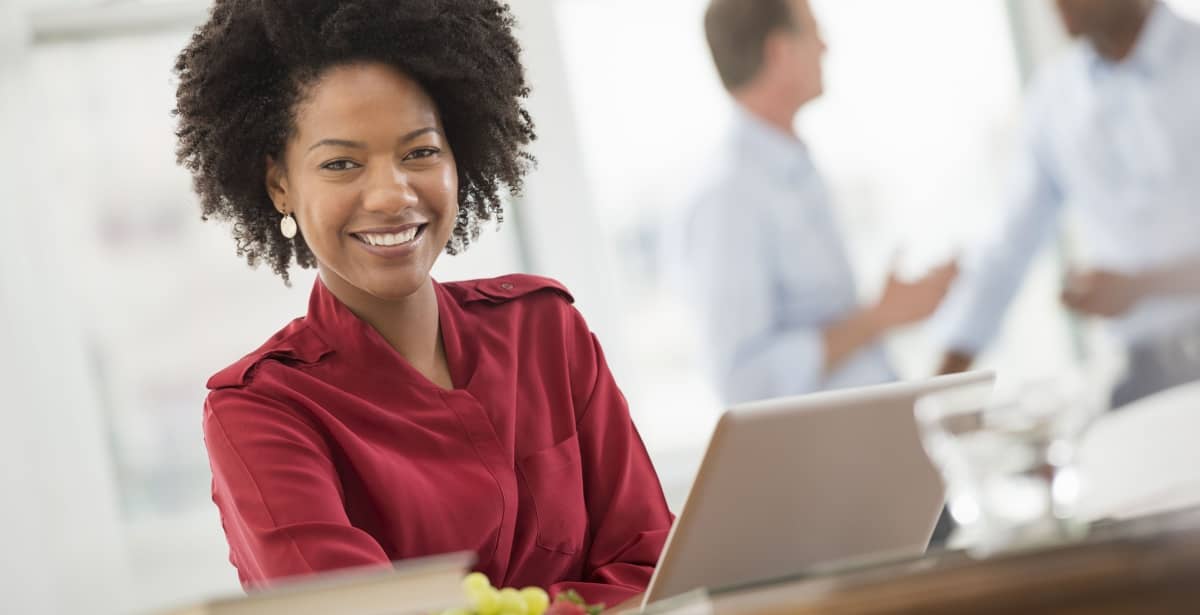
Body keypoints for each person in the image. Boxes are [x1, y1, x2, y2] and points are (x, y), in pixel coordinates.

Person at [172, 1, 672, 608]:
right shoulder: (262, 413)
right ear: (281, 184)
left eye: (420, 152)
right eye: (340, 164)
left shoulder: (545, 330)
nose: (391, 194)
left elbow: (654, 570)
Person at [684, 0, 958, 405]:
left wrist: (887, 313)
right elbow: (742, 380)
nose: (825, 47)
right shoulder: (729, 198)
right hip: (826, 459)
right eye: (813, 31)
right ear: (780, 51)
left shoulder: (793, 170)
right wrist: (879, 317)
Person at [938, 0, 1200, 408]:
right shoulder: (1055, 97)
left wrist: (1139, 287)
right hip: (1141, 378)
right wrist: (936, 392)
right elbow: (1008, 249)